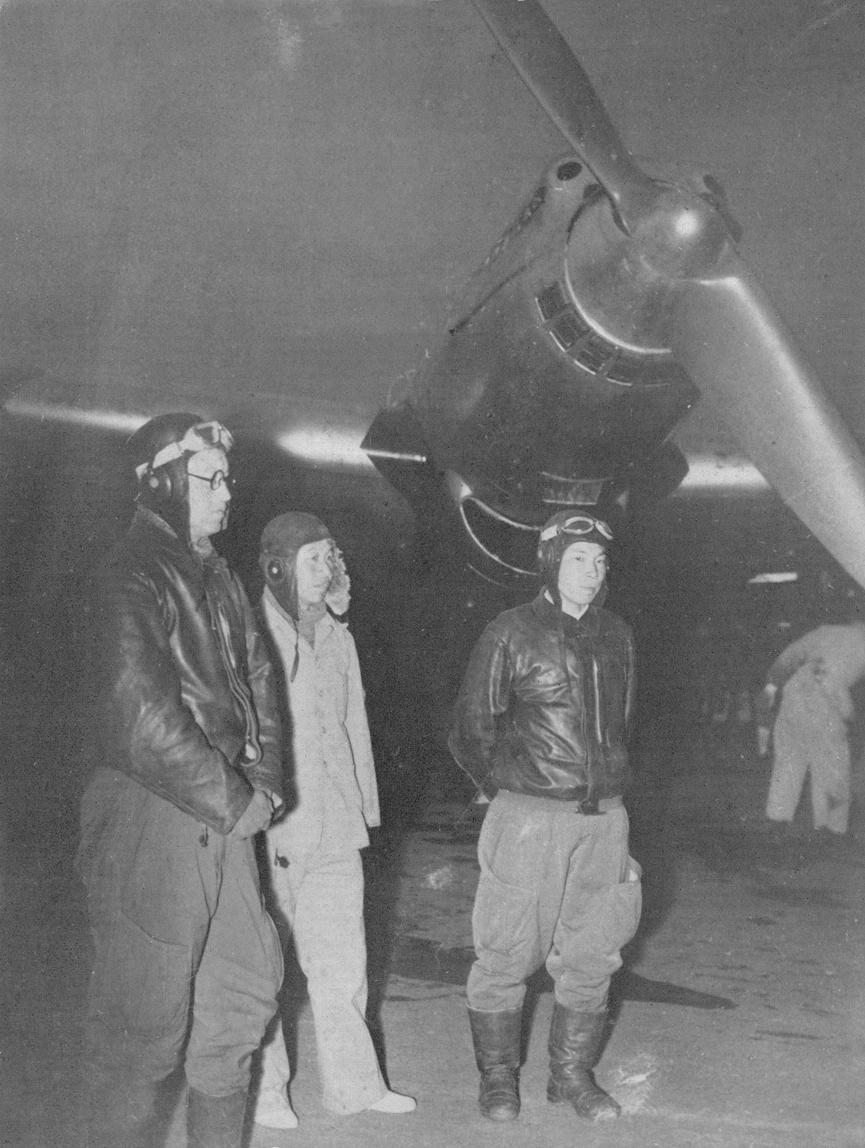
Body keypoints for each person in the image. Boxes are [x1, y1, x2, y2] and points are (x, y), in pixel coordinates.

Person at [75, 413, 285, 1148]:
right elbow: (141, 720)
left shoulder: (218, 575)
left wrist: (267, 783)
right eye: (210, 480)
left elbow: (260, 686)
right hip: (156, 812)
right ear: (161, 483)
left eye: (228, 479)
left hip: (226, 815)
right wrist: (236, 798)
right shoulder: (130, 573)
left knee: (238, 1001)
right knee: (142, 1024)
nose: (226, 495)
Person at [449, 510, 641, 1124]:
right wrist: (504, 787)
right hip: (530, 817)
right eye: (579, 558)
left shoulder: (618, 635)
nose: (592, 571)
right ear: (551, 563)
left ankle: (570, 1076)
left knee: (595, 951)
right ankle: (499, 1080)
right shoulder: (511, 631)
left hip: (604, 820)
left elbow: (623, 723)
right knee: (506, 949)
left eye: (601, 560)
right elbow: (470, 727)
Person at [250, 511, 416, 1128]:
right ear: (278, 565)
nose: (327, 570)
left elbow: (354, 730)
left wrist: (364, 809)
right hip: (271, 829)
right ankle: (267, 1092)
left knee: (344, 964)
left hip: (335, 825)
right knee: (265, 965)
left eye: (330, 557)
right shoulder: (250, 631)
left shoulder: (338, 636)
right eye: (313, 558)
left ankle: (355, 1087)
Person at [755, 615, 865, 837]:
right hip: (826, 695)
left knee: (789, 760)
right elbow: (831, 679)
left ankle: (777, 820)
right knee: (832, 766)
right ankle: (830, 829)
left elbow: (790, 656)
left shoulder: (826, 631)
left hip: (794, 691)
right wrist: (849, 715)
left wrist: (771, 685)